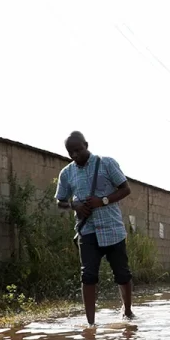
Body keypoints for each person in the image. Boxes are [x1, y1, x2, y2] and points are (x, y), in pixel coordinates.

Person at [55, 131, 135, 326]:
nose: (74, 155)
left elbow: (126, 189)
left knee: (122, 274)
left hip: (112, 229)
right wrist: (75, 205)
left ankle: (127, 312)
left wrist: (103, 200)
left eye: (78, 150)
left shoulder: (106, 163)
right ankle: (90, 324)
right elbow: (59, 201)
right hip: (87, 231)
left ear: (86, 145)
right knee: (88, 276)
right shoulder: (67, 173)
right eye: (70, 152)